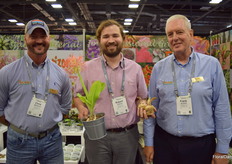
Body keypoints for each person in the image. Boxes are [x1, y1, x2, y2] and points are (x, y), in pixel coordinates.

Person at [140, 14, 232, 164]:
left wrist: (222, 150)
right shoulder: (159, 68)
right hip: (165, 144)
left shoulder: (212, 65)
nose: (174, 37)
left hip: (201, 146)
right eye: (170, 34)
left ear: (191, 34)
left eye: (179, 32)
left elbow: (222, 109)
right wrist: (149, 143)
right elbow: (151, 110)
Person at [73, 19, 147, 164]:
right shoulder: (87, 68)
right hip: (97, 135)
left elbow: (143, 97)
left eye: (115, 36)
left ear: (123, 39)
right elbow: (77, 95)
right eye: (106, 37)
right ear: (99, 40)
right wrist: (81, 107)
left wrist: (143, 104)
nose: (111, 40)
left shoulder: (135, 69)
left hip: (127, 135)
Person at [0, 19, 72, 164]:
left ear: (49, 38)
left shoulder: (61, 74)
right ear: (25, 38)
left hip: (52, 141)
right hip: (19, 142)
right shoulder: (7, 72)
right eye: (33, 36)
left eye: (43, 36)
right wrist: (19, 127)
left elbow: (65, 109)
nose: (39, 41)